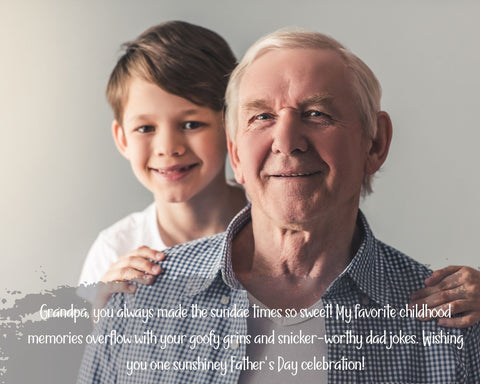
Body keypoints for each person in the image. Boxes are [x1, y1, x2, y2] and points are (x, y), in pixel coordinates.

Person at [77, 29, 480, 383]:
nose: (286, 141)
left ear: (375, 144)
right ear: (235, 152)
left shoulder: (457, 324)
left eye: (317, 114)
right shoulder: (134, 300)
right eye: (262, 116)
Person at [76, 20, 246, 308]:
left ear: (231, 125)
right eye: (145, 129)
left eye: (191, 124)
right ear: (122, 139)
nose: (168, 148)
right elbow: (90, 350)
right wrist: (103, 314)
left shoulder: (270, 226)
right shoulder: (114, 249)